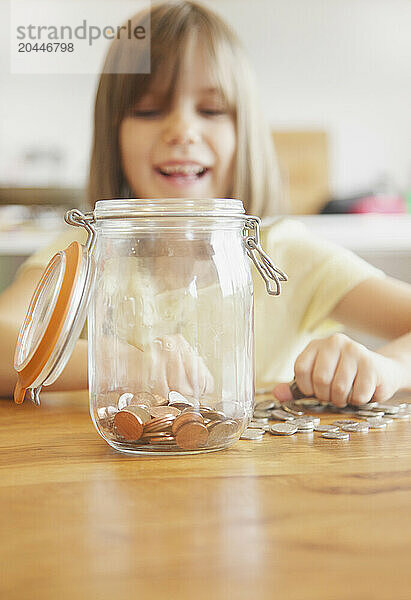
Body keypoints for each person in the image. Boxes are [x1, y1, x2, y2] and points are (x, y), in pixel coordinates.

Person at [1, 0, 410, 406]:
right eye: (148, 109)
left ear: (244, 135)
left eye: (211, 109)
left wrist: (386, 366)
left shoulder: (286, 254)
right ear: (113, 136)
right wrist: (120, 365)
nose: (182, 130)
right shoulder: (85, 252)